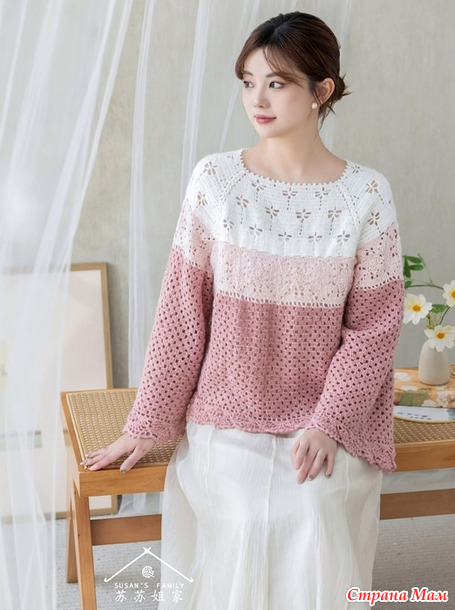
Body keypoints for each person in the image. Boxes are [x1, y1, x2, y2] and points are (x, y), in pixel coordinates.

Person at [84, 11, 404, 609]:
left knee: (312, 514)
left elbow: (373, 330)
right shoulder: (217, 181)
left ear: (322, 91)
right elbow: (183, 315)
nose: (257, 99)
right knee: (248, 521)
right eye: (248, 82)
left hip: (326, 417)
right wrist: (146, 422)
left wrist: (329, 422)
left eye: (277, 83)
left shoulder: (366, 195)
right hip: (228, 413)